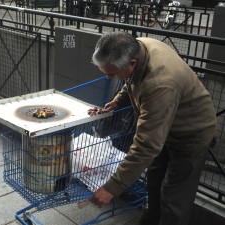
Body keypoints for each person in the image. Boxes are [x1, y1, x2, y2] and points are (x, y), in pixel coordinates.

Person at [89, 31, 216, 225]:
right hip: (164, 127)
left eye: (111, 73)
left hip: (191, 133)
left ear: (131, 63)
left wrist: (112, 187)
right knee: (154, 183)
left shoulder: (159, 84)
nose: (109, 78)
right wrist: (118, 100)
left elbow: (146, 145)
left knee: (175, 198)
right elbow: (131, 80)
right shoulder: (139, 47)